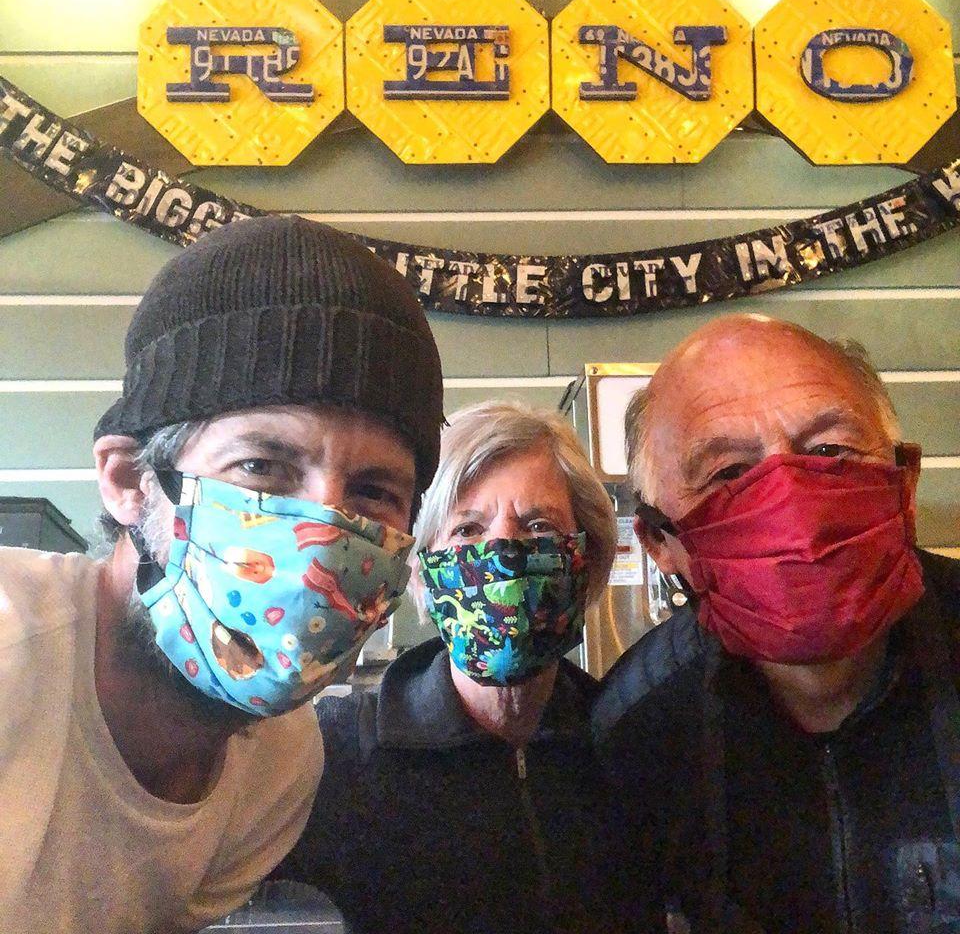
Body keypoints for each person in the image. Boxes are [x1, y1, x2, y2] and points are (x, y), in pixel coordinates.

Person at [0, 215, 444, 933]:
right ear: (128, 481)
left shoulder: (280, 763)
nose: (321, 538)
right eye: (262, 469)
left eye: (372, 493)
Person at [593, 314, 960, 934]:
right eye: (730, 474)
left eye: (829, 450)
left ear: (905, 481)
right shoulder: (636, 730)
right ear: (661, 543)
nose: (792, 501)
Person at [271, 401, 663, 933]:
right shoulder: (340, 753)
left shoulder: (633, 746)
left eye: (538, 525)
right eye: (467, 529)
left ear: (585, 558)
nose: (502, 549)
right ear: (426, 572)